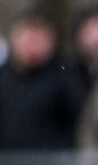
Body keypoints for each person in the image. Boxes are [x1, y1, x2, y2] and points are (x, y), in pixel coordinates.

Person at [0, 9, 86, 151]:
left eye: (38, 39)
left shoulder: (66, 78)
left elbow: (80, 125)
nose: (32, 45)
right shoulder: (4, 76)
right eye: (27, 38)